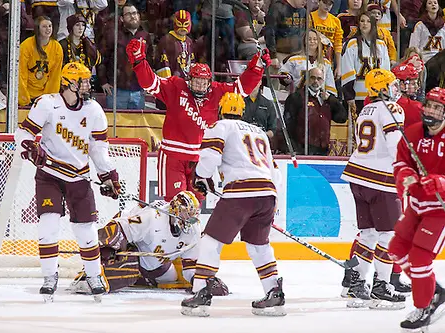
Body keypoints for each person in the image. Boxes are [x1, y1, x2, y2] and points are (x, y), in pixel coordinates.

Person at [14, 62, 122, 302]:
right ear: (69, 83)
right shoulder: (47, 104)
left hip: (79, 177)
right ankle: (49, 277)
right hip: (49, 175)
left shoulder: (94, 110)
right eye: (82, 81)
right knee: (48, 226)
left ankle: (94, 276)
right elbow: (22, 133)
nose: (87, 85)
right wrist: (31, 148)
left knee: (87, 231)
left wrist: (108, 175)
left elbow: (98, 148)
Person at [125, 38, 269, 202]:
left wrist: (257, 68)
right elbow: (150, 83)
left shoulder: (217, 91)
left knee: (194, 206)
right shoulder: (176, 87)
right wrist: (139, 60)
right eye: (196, 81)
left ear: (209, 82)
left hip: (199, 159)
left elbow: (241, 89)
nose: (200, 85)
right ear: (189, 80)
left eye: (203, 82)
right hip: (173, 156)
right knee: (175, 205)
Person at [180, 92, 284, 317]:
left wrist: (200, 177)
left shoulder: (220, 126)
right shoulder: (259, 133)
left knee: (210, 242)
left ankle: (201, 293)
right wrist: (273, 202)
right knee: (259, 246)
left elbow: (209, 159)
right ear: (242, 112)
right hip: (268, 192)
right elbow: (274, 170)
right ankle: (274, 292)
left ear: (221, 109)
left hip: (241, 192)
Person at [70, 191, 228, 294]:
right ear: (174, 210)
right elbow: (120, 227)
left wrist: (200, 281)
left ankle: (140, 277)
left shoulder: (193, 228)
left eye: (192, 215)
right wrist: (106, 247)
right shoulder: (153, 218)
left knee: (174, 277)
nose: (189, 220)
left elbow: (191, 265)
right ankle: (91, 276)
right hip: (133, 244)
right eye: (186, 215)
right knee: (129, 266)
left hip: (157, 265)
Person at [340, 69, 406, 309]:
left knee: (368, 234)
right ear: (382, 88)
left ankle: (357, 285)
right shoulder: (392, 109)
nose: (395, 89)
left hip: (357, 176)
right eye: (392, 85)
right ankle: (382, 286)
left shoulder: (365, 110)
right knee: (388, 234)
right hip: (381, 179)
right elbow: (395, 146)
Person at [389, 87, 445, 330]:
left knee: (420, 258)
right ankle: (434, 290)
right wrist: (406, 175)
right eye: (429, 105)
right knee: (396, 249)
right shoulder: (411, 133)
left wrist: (440, 182)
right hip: (416, 205)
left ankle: (424, 307)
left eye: (438, 107)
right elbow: (401, 162)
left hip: (440, 210)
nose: (431, 110)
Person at [283, 67, 346, 156]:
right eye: (313, 78)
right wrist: (293, 148)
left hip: (323, 150)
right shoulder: (296, 97)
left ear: (323, 81)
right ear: (307, 79)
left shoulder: (328, 99)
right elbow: (288, 125)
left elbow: (342, 118)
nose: (316, 81)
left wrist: (331, 99)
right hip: (302, 150)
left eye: (319, 78)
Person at [18, 15, 63, 106]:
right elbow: (21, 73)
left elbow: (55, 76)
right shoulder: (26, 45)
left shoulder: (57, 47)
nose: (48, 29)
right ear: (37, 28)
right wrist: (23, 97)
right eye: (44, 26)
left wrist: (48, 99)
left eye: (50, 26)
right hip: (27, 94)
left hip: (44, 96)